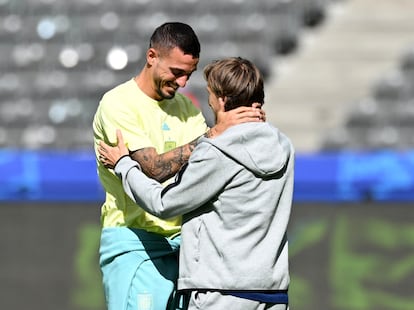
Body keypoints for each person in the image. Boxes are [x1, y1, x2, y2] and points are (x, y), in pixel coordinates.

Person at [98, 57, 295, 310]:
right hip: (274, 292)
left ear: (222, 99)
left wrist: (124, 164)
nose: (208, 100)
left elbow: (163, 202)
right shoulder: (284, 145)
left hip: (222, 292)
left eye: (210, 93)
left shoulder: (217, 151)